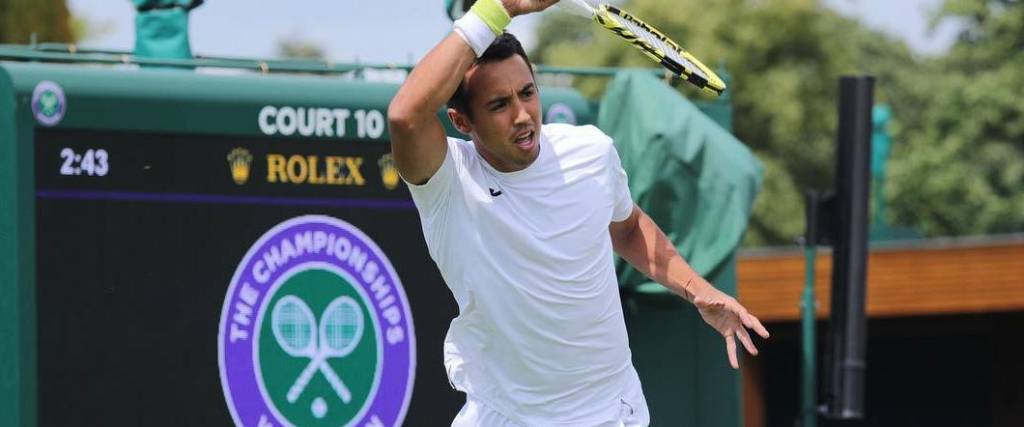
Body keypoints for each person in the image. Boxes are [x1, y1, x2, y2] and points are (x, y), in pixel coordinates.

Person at [387, 0, 769, 425]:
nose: (522, 115)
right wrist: (499, 9)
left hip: (610, 412)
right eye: (498, 105)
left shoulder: (591, 151)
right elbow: (405, 117)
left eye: (527, 93)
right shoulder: (447, 181)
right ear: (461, 121)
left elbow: (626, 228)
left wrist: (697, 288)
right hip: (504, 415)